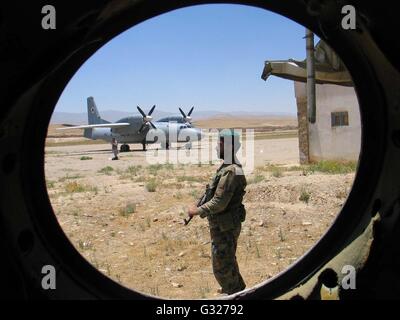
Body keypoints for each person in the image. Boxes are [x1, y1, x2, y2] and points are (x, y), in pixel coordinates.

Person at [187, 129, 247, 295]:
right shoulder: (227, 168)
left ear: (226, 146)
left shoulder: (231, 171)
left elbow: (219, 203)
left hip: (225, 226)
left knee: (221, 265)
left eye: (218, 144)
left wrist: (197, 210)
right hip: (224, 224)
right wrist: (197, 203)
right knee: (228, 260)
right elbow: (212, 193)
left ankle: (235, 294)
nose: (215, 147)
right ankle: (236, 290)